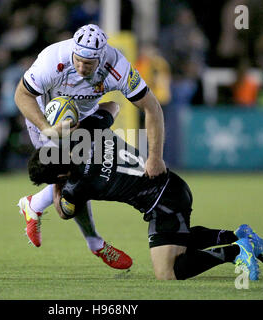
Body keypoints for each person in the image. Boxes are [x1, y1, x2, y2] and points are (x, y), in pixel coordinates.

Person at [27, 106, 263, 280]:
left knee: (168, 272)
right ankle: (240, 235)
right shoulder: (87, 134)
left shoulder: (76, 187)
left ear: (59, 178)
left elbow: (64, 212)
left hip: (162, 203)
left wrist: (58, 186)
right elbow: (112, 107)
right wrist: (75, 124)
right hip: (172, 184)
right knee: (178, 239)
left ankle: (237, 251)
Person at [14, 24, 165, 269]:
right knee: (70, 200)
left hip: (82, 117)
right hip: (48, 122)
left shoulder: (117, 66)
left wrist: (155, 157)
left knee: (112, 109)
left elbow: (152, 107)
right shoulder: (52, 61)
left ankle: (34, 205)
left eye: (89, 63)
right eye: (79, 60)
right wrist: (46, 128)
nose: (82, 67)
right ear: (72, 51)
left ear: (101, 57)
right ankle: (95, 243)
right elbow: (21, 95)